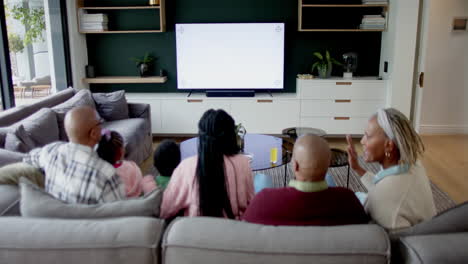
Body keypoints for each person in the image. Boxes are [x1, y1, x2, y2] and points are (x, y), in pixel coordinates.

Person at [242, 134, 369, 226]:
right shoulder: (348, 200)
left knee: (262, 179)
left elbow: (246, 228)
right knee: (328, 179)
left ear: (295, 165)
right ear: (329, 165)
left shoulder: (264, 200)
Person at [346, 108, 436, 230]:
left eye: (368, 136)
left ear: (388, 145)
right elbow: (383, 185)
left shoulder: (383, 199)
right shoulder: (413, 164)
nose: (362, 141)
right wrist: (357, 168)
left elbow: (383, 195)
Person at [160, 109, 255, 219]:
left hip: (195, 233)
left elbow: (164, 210)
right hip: (234, 232)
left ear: (201, 138)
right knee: (262, 181)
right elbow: (250, 206)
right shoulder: (243, 163)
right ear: (231, 136)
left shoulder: (186, 167)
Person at [23, 106, 125, 204]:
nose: (102, 126)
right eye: (100, 123)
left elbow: (26, 160)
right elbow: (118, 213)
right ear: (93, 133)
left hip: (54, 218)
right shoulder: (105, 173)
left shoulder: (50, 151)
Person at [97, 129, 156, 197]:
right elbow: (139, 181)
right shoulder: (131, 166)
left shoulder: (100, 172)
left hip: (117, 203)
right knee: (148, 179)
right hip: (136, 199)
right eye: (123, 145)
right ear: (120, 151)